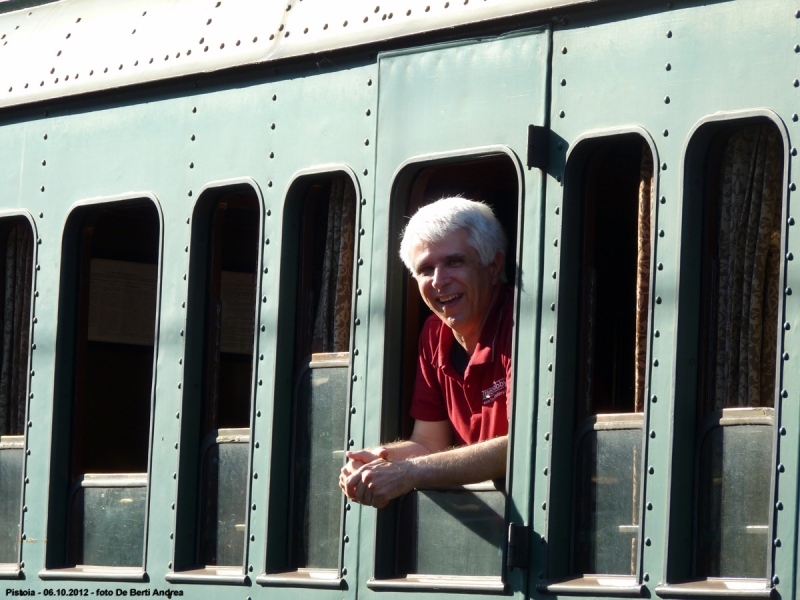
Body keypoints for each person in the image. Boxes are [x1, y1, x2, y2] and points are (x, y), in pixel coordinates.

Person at [339, 197, 512, 508]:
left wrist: (409, 472)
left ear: (493, 265)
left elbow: (520, 447)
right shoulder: (434, 333)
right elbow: (429, 444)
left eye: (455, 262)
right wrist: (375, 462)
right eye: (425, 269)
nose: (439, 281)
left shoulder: (521, 325)